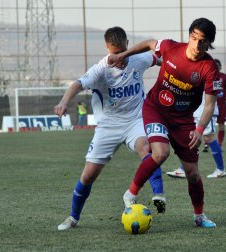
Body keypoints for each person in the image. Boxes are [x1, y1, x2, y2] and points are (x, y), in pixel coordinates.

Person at [108, 17, 222, 228]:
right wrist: (124, 54)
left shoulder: (209, 68)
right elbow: (150, 42)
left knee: (193, 174)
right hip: (156, 110)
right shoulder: (171, 47)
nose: (196, 44)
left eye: (202, 40)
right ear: (189, 36)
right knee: (160, 153)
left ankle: (199, 216)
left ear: (209, 43)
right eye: (193, 37)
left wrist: (199, 130)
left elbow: (208, 106)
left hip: (184, 121)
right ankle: (131, 193)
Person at [55, 27, 165, 231]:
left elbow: (162, 61)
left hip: (135, 120)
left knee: (147, 150)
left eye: (123, 52)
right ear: (107, 48)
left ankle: (159, 194)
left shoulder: (138, 58)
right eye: (115, 53)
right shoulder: (101, 69)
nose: (120, 59)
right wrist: (63, 102)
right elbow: (77, 84)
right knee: (88, 176)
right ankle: (73, 217)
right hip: (108, 126)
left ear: (127, 44)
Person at [167, 92, 226, 178]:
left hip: (206, 112)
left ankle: (221, 169)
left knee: (209, 138)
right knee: (191, 138)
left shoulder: (212, 78)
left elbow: (219, 92)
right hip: (196, 111)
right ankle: (184, 169)